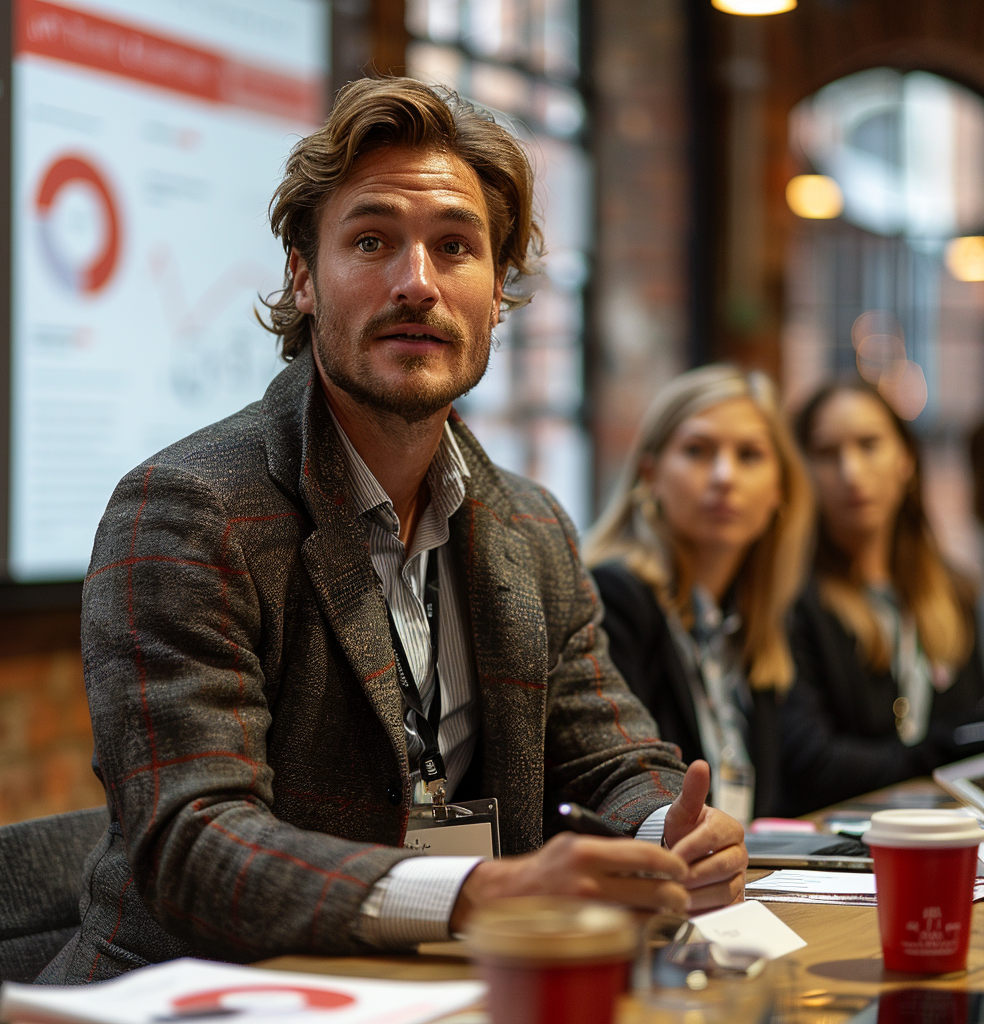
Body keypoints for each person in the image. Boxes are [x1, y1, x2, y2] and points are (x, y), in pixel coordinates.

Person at [40, 78, 746, 983]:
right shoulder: (185, 510)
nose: (417, 283)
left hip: (444, 991)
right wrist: (471, 893)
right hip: (213, 993)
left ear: (498, 295)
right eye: (372, 241)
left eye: (456, 247)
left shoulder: (532, 527)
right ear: (302, 277)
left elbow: (613, 756)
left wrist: (668, 831)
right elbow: (193, 841)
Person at [585, 365, 813, 821]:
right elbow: (607, 793)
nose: (725, 476)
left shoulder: (746, 621)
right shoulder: (613, 598)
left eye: (749, 455)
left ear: (779, 490)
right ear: (649, 473)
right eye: (698, 450)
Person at [778, 380, 984, 816]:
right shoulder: (788, 600)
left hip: (952, 835)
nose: (851, 472)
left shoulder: (956, 592)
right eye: (826, 454)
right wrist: (936, 754)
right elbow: (813, 764)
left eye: (869, 445)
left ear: (906, 459)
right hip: (835, 845)